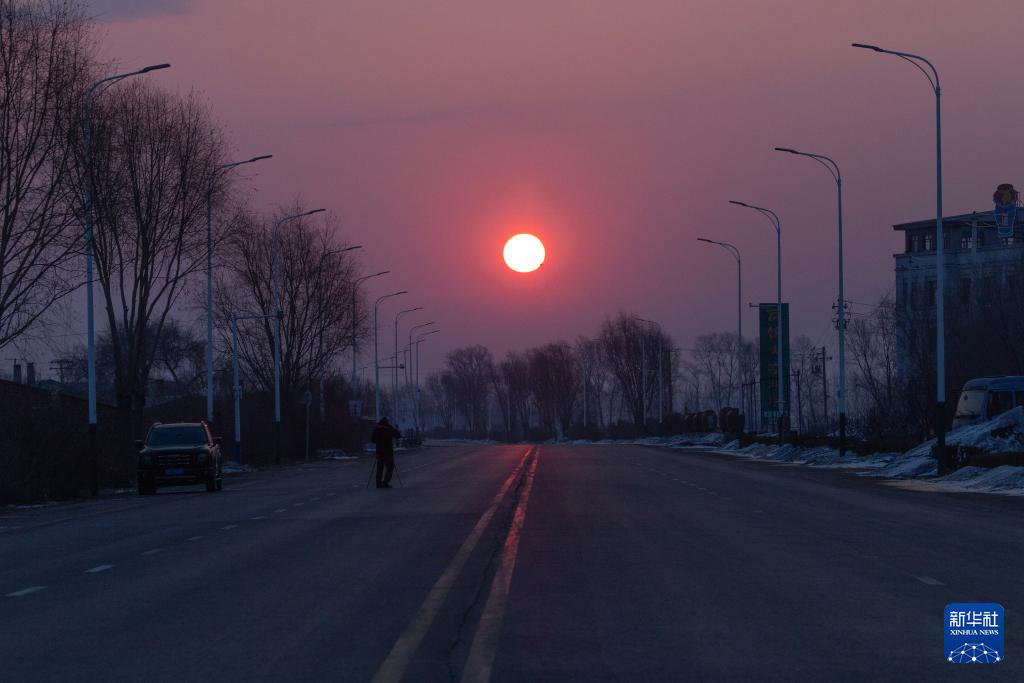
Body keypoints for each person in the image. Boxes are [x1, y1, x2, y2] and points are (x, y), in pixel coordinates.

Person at [371, 417, 401, 489]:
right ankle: (385, 482)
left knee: (379, 468)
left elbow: (373, 440)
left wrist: (379, 442)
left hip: (379, 452)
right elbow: (398, 436)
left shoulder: (376, 430)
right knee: (390, 467)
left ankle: (378, 483)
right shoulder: (389, 429)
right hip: (388, 452)